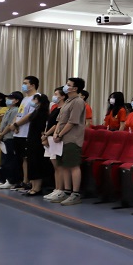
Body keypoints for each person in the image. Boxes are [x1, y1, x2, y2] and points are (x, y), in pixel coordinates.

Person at [50, 77, 87, 205]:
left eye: (68, 84)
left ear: (75, 88)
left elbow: (72, 122)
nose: (66, 86)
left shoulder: (78, 102)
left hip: (72, 139)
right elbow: (60, 120)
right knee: (64, 165)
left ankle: (75, 193)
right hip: (61, 139)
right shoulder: (67, 101)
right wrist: (56, 133)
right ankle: (66, 191)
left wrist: (60, 134)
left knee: (73, 165)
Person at [10, 76, 39, 191]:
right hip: (18, 132)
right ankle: (22, 180)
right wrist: (14, 125)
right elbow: (19, 113)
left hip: (27, 133)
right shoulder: (25, 98)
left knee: (27, 158)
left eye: (25, 83)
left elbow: (30, 115)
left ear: (32, 85)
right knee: (20, 158)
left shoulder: (36, 97)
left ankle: (28, 182)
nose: (23, 85)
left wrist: (17, 124)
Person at [42, 87, 66, 202]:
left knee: (58, 165)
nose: (54, 96)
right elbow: (49, 123)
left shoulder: (63, 109)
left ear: (63, 96)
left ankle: (61, 189)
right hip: (49, 138)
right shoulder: (55, 108)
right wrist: (45, 135)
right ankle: (56, 188)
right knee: (54, 166)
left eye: (56, 94)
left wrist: (46, 134)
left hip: (55, 138)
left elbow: (57, 125)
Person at [0, 92, 22, 189]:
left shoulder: (15, 110)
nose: (8, 100)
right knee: (4, 160)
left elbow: (10, 125)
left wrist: (1, 134)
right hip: (4, 137)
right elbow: (3, 123)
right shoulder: (8, 110)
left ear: (16, 101)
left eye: (11, 98)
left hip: (9, 137)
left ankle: (11, 180)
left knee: (10, 160)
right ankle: (4, 179)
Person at [24, 93, 50, 196]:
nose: (33, 101)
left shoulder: (43, 113)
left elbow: (42, 128)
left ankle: (37, 187)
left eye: (35, 99)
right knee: (31, 163)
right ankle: (33, 186)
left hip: (37, 141)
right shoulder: (35, 111)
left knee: (36, 163)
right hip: (31, 139)